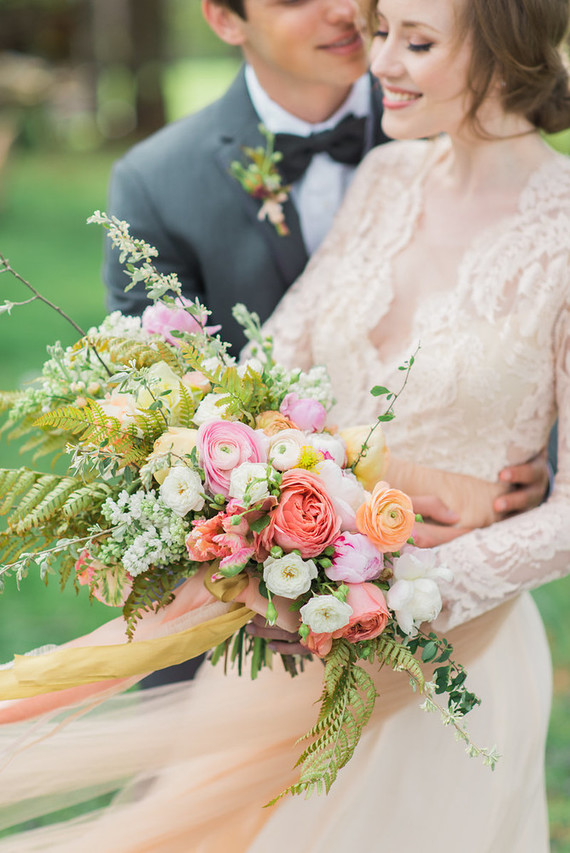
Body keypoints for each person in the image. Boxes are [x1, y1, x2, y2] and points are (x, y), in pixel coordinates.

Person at [0, 0, 566, 849]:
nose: (380, 65)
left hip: (448, 660)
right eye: (382, 35)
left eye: (416, 42)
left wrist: (414, 596)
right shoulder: (386, 180)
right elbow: (269, 377)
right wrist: (263, 534)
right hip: (290, 632)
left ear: (506, 49)